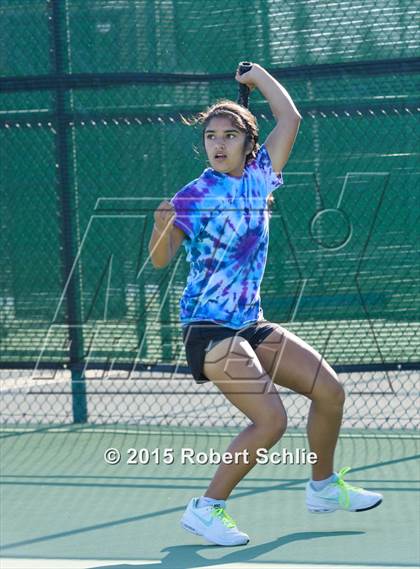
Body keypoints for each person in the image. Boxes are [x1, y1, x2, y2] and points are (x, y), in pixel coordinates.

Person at [148, 62, 382, 547]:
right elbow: (159, 261)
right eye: (211, 136)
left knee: (329, 390)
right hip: (207, 327)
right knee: (271, 420)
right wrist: (160, 224)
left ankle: (321, 488)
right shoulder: (193, 196)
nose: (217, 144)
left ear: (247, 143)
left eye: (229, 135)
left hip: (248, 322)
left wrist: (257, 78)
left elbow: (289, 117)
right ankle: (206, 508)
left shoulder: (260, 177)